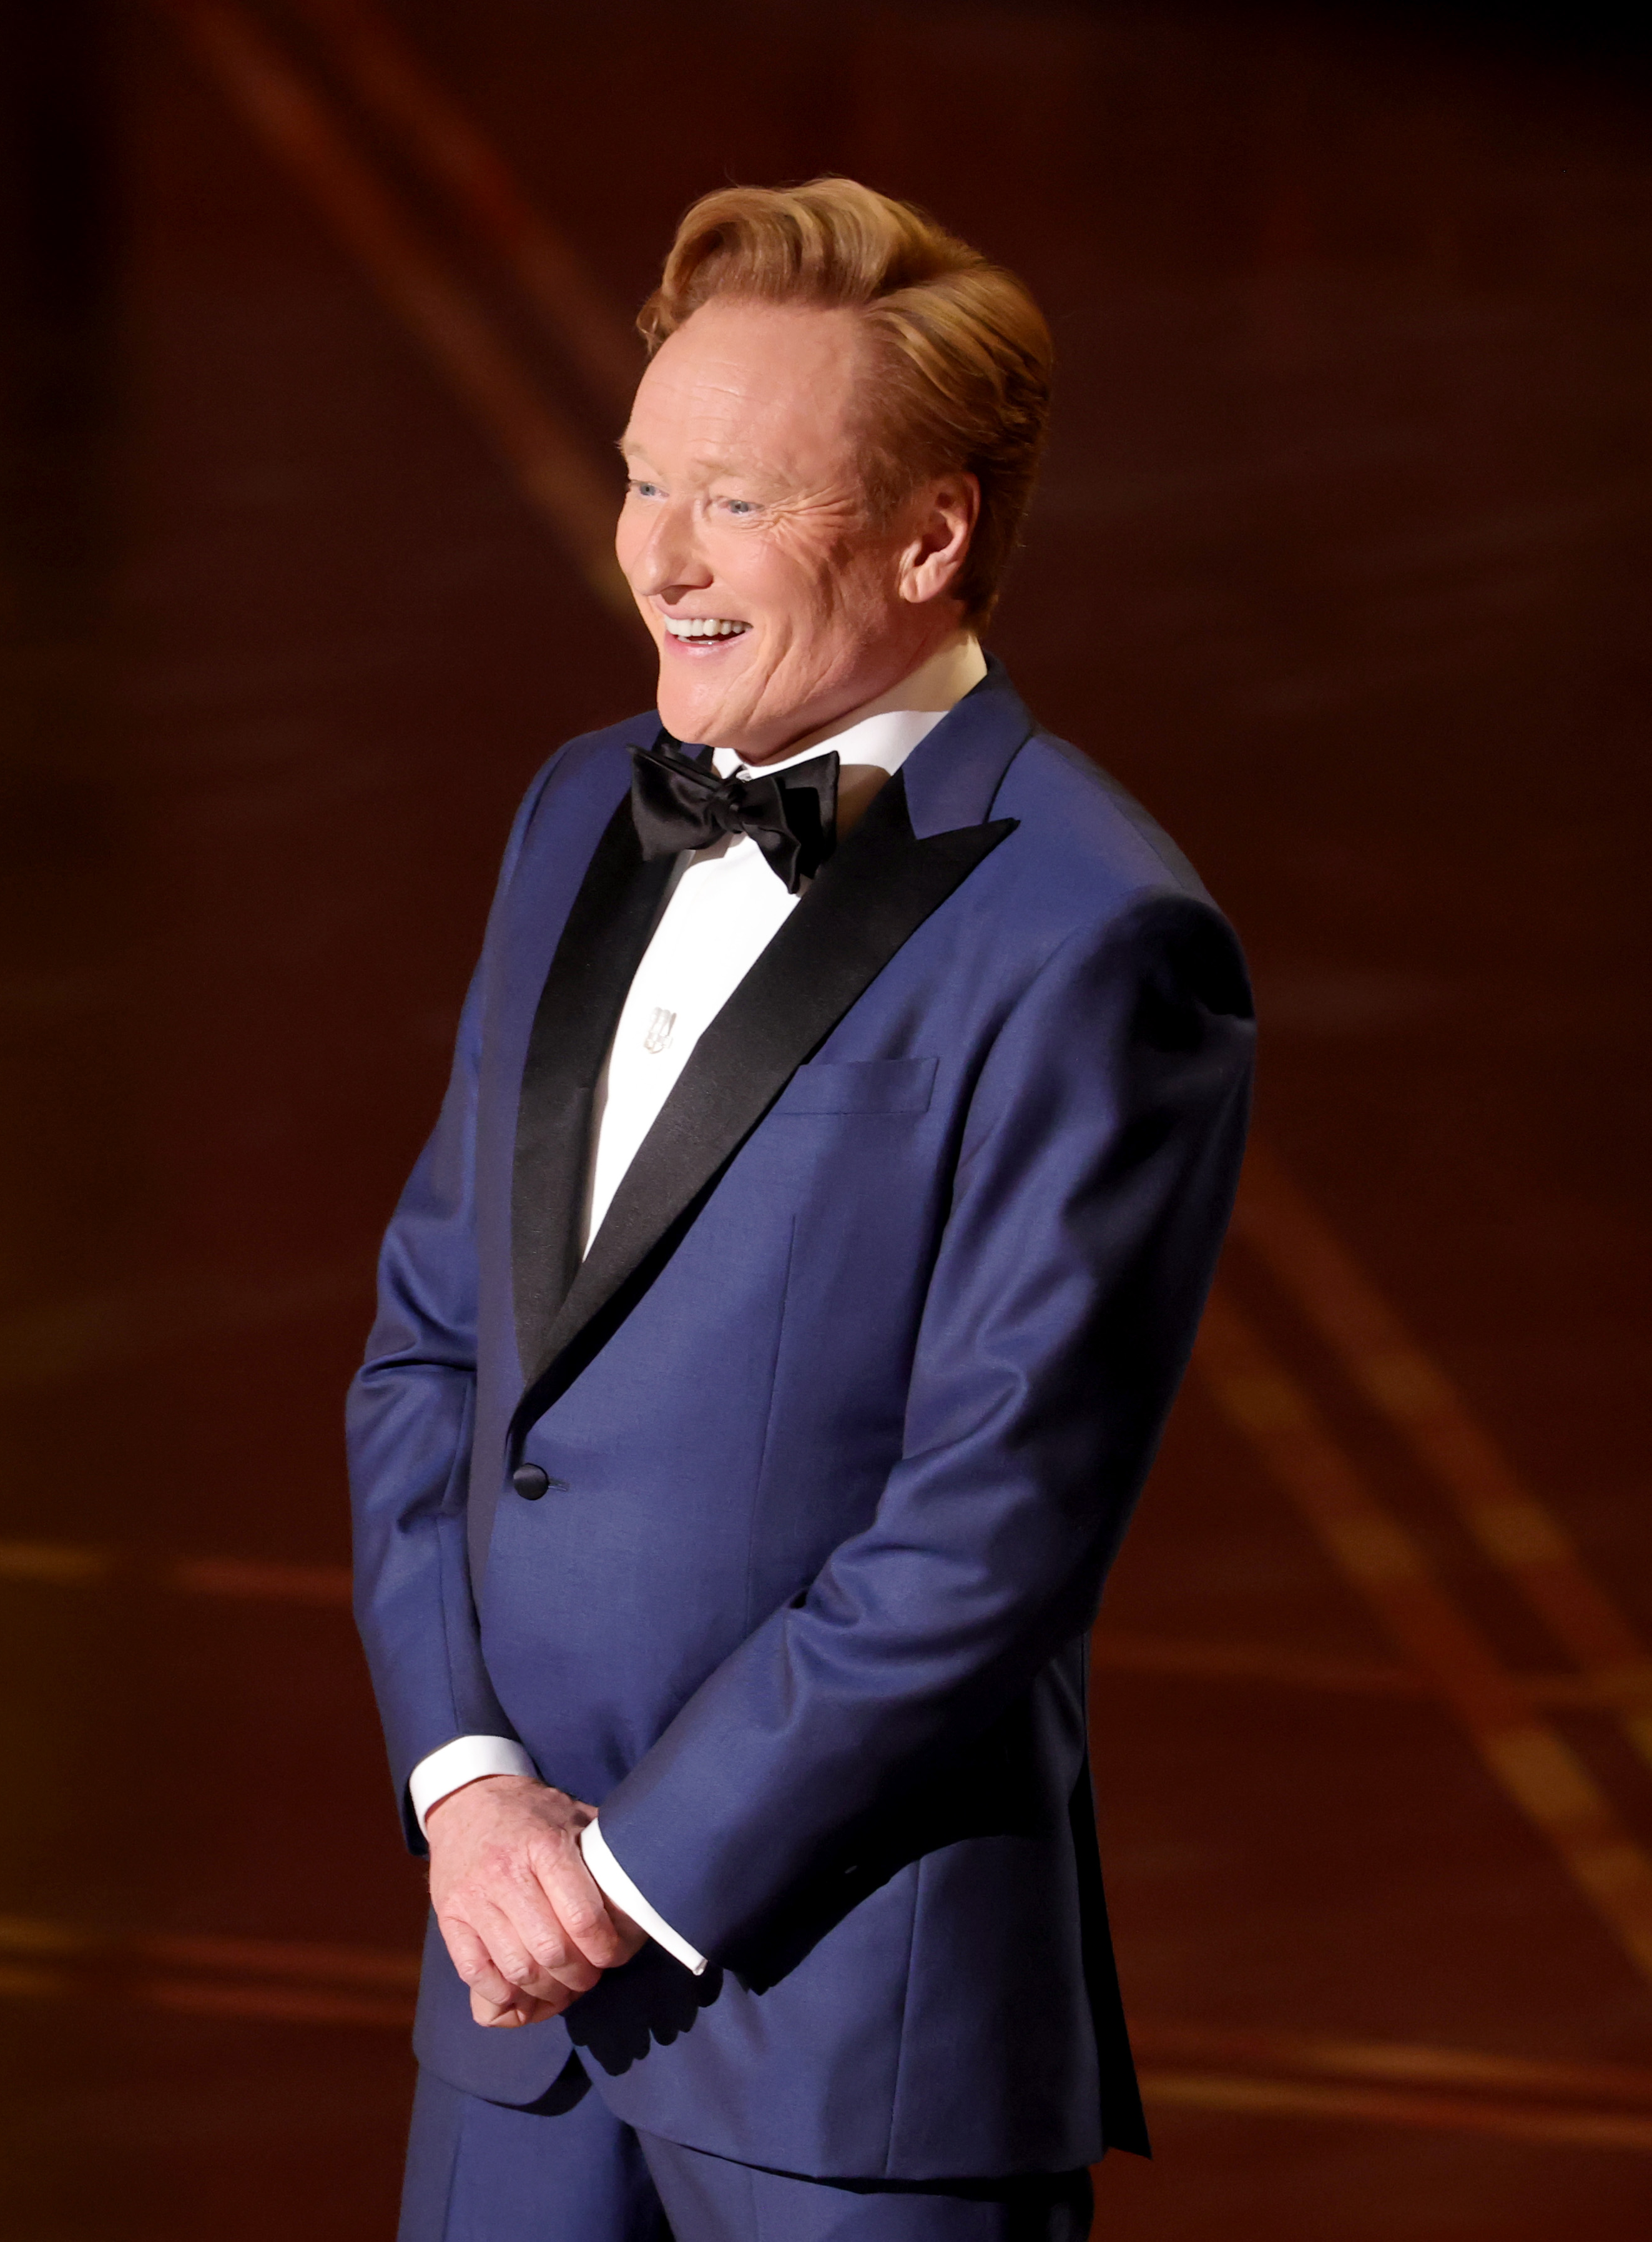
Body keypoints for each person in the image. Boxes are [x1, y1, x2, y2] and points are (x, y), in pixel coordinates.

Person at [347, 177, 1254, 2241]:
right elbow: (434, 1347)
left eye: (736, 504)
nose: (656, 558)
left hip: (859, 2056)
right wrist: (468, 1787)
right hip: (511, 2018)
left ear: (929, 538)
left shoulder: (1101, 931)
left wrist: (624, 1876)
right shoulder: (577, 806)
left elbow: (995, 1520)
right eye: (644, 482)